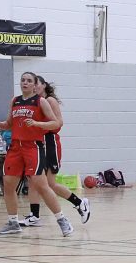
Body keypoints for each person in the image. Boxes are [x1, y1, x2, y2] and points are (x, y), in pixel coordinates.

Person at [0, 72, 74, 237]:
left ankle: (62, 220)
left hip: (33, 147)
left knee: (41, 185)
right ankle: (13, 222)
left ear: (35, 85)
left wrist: (37, 123)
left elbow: (56, 123)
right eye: (23, 80)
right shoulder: (15, 101)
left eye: (29, 81)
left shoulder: (41, 101)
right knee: (8, 184)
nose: (25, 83)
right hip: (15, 147)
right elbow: (9, 124)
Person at [22, 76, 91, 225]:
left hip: (50, 142)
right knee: (33, 180)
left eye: (36, 83)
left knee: (50, 184)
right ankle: (34, 216)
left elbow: (59, 123)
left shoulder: (50, 101)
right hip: (37, 143)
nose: (33, 86)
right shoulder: (34, 102)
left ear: (43, 85)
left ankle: (80, 203)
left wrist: (37, 124)